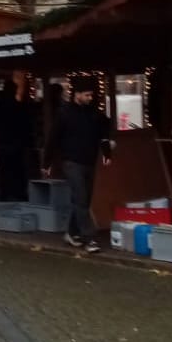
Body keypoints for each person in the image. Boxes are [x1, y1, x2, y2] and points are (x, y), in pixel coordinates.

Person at [43, 77, 112, 254]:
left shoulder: (94, 114)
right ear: (78, 94)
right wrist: (47, 162)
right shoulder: (64, 114)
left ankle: (71, 232)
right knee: (81, 198)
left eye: (91, 95)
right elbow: (53, 138)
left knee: (82, 200)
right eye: (87, 95)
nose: (90, 98)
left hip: (88, 161)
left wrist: (106, 152)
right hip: (71, 162)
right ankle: (89, 238)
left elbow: (103, 132)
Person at [0, 70, 37, 202]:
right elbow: (27, 126)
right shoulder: (19, 107)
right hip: (17, 145)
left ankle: (4, 195)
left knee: (3, 171)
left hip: (1, 143)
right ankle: (19, 195)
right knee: (18, 171)